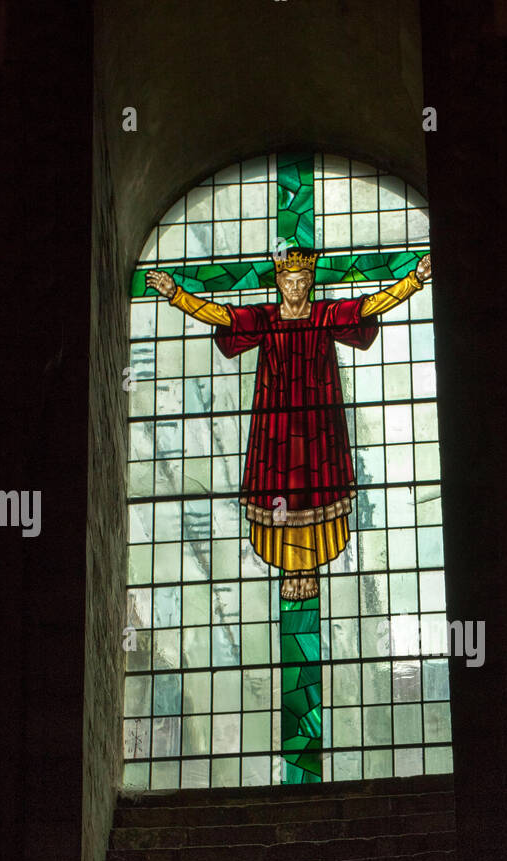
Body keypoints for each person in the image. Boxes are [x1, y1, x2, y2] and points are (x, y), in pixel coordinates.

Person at [146, 248, 432, 599]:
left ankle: (308, 566)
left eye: (301, 281)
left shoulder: (326, 314)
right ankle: (291, 566)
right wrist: (176, 294)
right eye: (288, 281)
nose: (295, 288)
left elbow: (370, 306)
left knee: (317, 485)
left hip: (319, 423)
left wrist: (414, 281)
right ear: (279, 282)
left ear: (310, 283)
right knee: (279, 487)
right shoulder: (265, 318)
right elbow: (222, 315)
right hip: (276, 427)